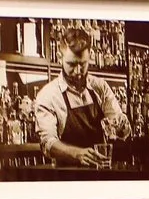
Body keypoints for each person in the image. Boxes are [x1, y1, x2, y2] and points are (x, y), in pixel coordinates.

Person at [29, 28, 130, 167]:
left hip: (101, 173)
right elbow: (48, 142)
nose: (78, 72)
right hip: (66, 178)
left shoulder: (100, 87)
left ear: (90, 58)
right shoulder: (48, 96)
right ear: (60, 57)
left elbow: (119, 127)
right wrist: (77, 154)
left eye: (83, 64)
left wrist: (121, 127)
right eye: (71, 64)